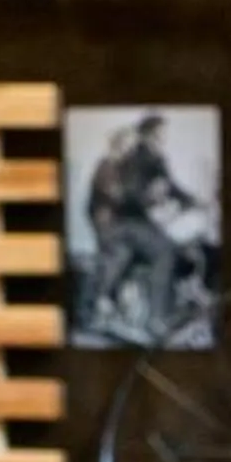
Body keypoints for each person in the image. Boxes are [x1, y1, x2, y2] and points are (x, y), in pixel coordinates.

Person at [86, 113, 197, 341]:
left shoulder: (157, 158)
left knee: (181, 245)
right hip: (127, 224)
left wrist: (191, 200)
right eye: (158, 133)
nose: (163, 138)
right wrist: (152, 199)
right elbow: (129, 195)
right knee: (164, 251)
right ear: (146, 134)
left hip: (137, 222)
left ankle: (170, 307)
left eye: (163, 133)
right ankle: (156, 319)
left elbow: (170, 185)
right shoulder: (135, 158)